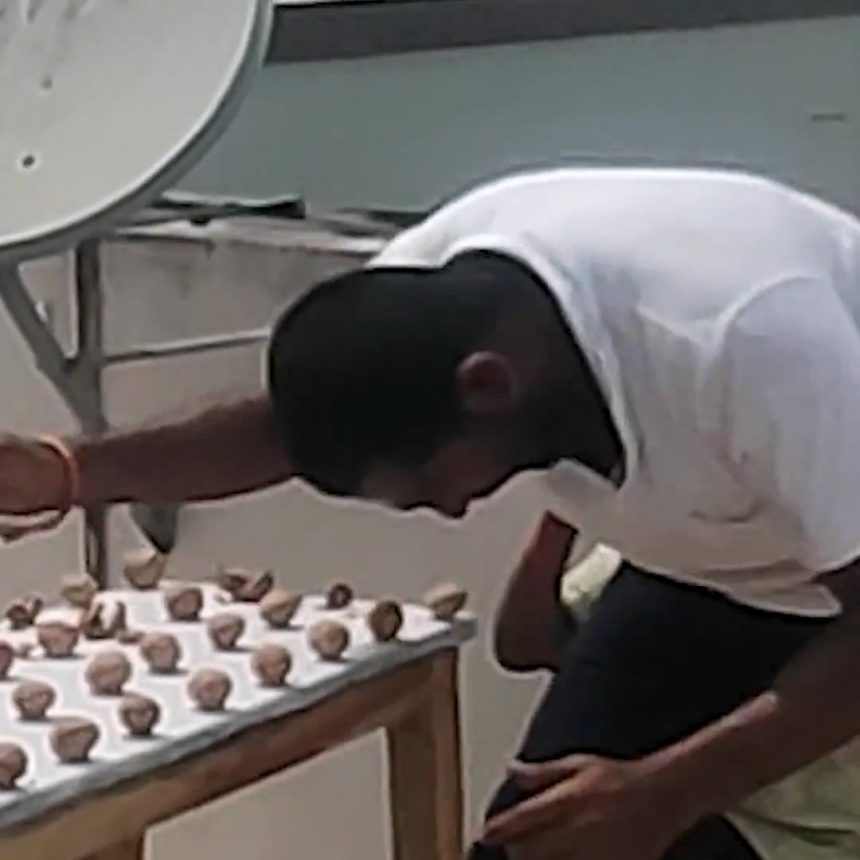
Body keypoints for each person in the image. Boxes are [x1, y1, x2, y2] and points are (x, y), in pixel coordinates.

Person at [4, 166, 860, 859]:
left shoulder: (752, 342)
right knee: (538, 840)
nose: (449, 512)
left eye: (430, 485)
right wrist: (70, 472)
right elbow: (295, 425)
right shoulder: (436, 283)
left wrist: (666, 795)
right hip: (703, 570)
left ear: (485, 386)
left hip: (834, 598)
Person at [494, 514, 860, 860]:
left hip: (802, 839)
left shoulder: (834, 546)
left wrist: (659, 796)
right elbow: (526, 645)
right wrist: (562, 515)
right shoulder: (680, 535)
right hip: (656, 806)